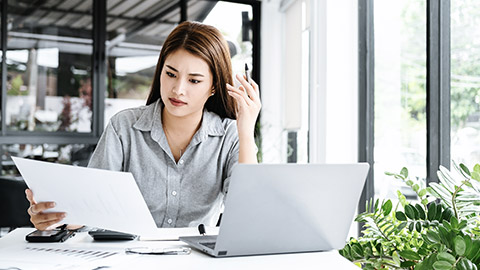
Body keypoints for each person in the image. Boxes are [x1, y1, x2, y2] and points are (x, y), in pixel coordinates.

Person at [25, 21, 262, 231]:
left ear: (213, 87)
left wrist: (246, 129)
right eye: (171, 74)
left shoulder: (229, 135)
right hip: (126, 258)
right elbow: (93, 209)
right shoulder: (124, 127)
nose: (178, 89)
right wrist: (57, 219)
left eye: (194, 80)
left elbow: (247, 212)